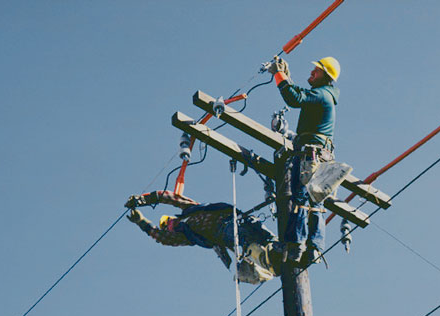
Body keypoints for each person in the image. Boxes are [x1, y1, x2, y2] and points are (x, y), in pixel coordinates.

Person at [125, 190, 288, 284]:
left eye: (167, 220)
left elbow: (169, 197)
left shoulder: (190, 210)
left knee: (257, 227)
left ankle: (276, 250)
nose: (168, 223)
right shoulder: (185, 235)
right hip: (224, 231)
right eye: (165, 225)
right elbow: (162, 238)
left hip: (233, 217)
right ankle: (266, 260)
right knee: (245, 239)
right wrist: (141, 221)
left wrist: (143, 199)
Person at [268, 56, 341, 265]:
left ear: (325, 75)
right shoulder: (324, 94)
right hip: (321, 155)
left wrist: (278, 75)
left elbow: (295, 99)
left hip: (312, 156)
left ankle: (297, 245)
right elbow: (300, 94)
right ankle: (314, 248)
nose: (311, 74)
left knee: (301, 200)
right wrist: (287, 79)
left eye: (315, 71)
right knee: (316, 201)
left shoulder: (322, 95)